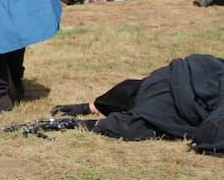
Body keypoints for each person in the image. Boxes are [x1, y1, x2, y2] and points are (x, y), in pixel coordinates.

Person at [45, 53, 222, 155]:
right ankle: (82, 121)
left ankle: (89, 109)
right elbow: (210, 131)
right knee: (136, 124)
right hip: (173, 97)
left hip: (165, 78)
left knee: (135, 91)